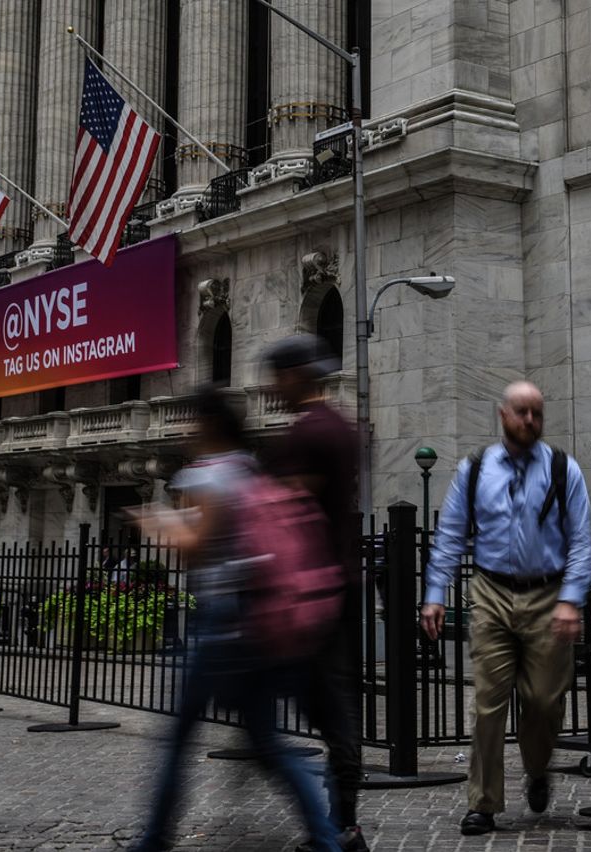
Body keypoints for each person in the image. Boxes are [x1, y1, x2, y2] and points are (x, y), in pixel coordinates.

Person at [130, 385, 339, 852]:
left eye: (192, 421)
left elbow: (195, 551)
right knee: (268, 744)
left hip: (222, 624)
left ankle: (154, 839)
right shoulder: (249, 469)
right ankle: (327, 838)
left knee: (180, 736)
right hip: (259, 620)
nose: (186, 429)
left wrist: (157, 524)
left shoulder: (206, 477)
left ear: (206, 424)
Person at [420, 381, 591, 836]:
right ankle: (484, 803)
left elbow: (580, 541)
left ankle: (537, 768)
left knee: (542, 701)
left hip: (548, 595)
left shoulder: (563, 469)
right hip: (491, 592)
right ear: (503, 415)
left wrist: (571, 600)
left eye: (537, 412)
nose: (530, 421)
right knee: (488, 704)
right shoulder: (474, 470)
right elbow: (451, 534)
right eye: (521, 412)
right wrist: (435, 592)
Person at [262, 335, 365, 852]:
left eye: (277, 377)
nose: (271, 388)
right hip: (339, 583)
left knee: (327, 708)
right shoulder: (341, 426)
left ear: (295, 376)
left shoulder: (308, 434)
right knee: (332, 705)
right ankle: (342, 820)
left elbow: (287, 510)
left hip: (313, 590)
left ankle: (341, 824)